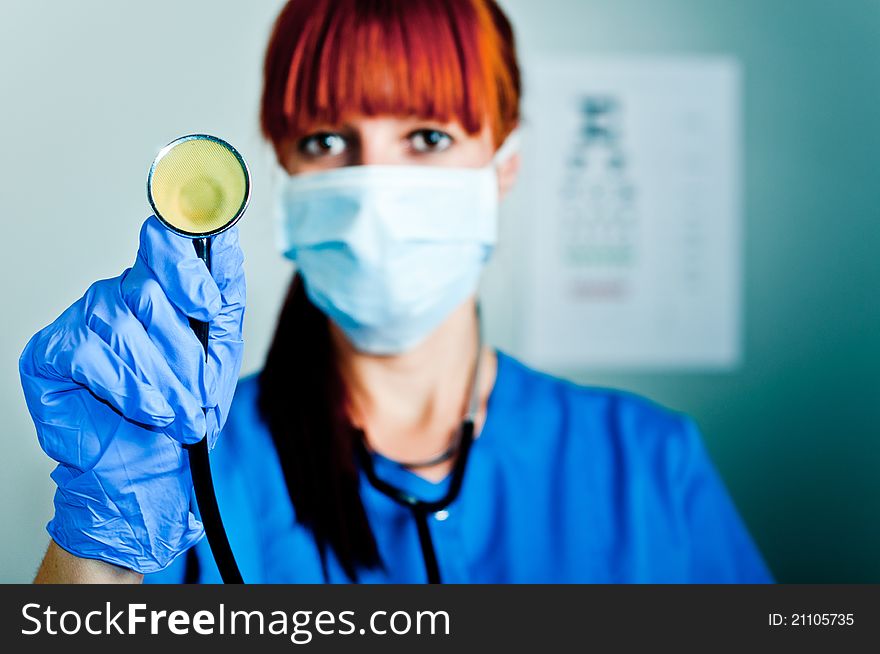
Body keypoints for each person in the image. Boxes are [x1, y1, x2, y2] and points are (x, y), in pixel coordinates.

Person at [21, 0, 772, 584]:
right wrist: (102, 546)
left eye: (429, 137)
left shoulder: (647, 465)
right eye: (325, 141)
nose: (376, 189)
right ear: (282, 168)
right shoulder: (183, 466)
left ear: (504, 161)